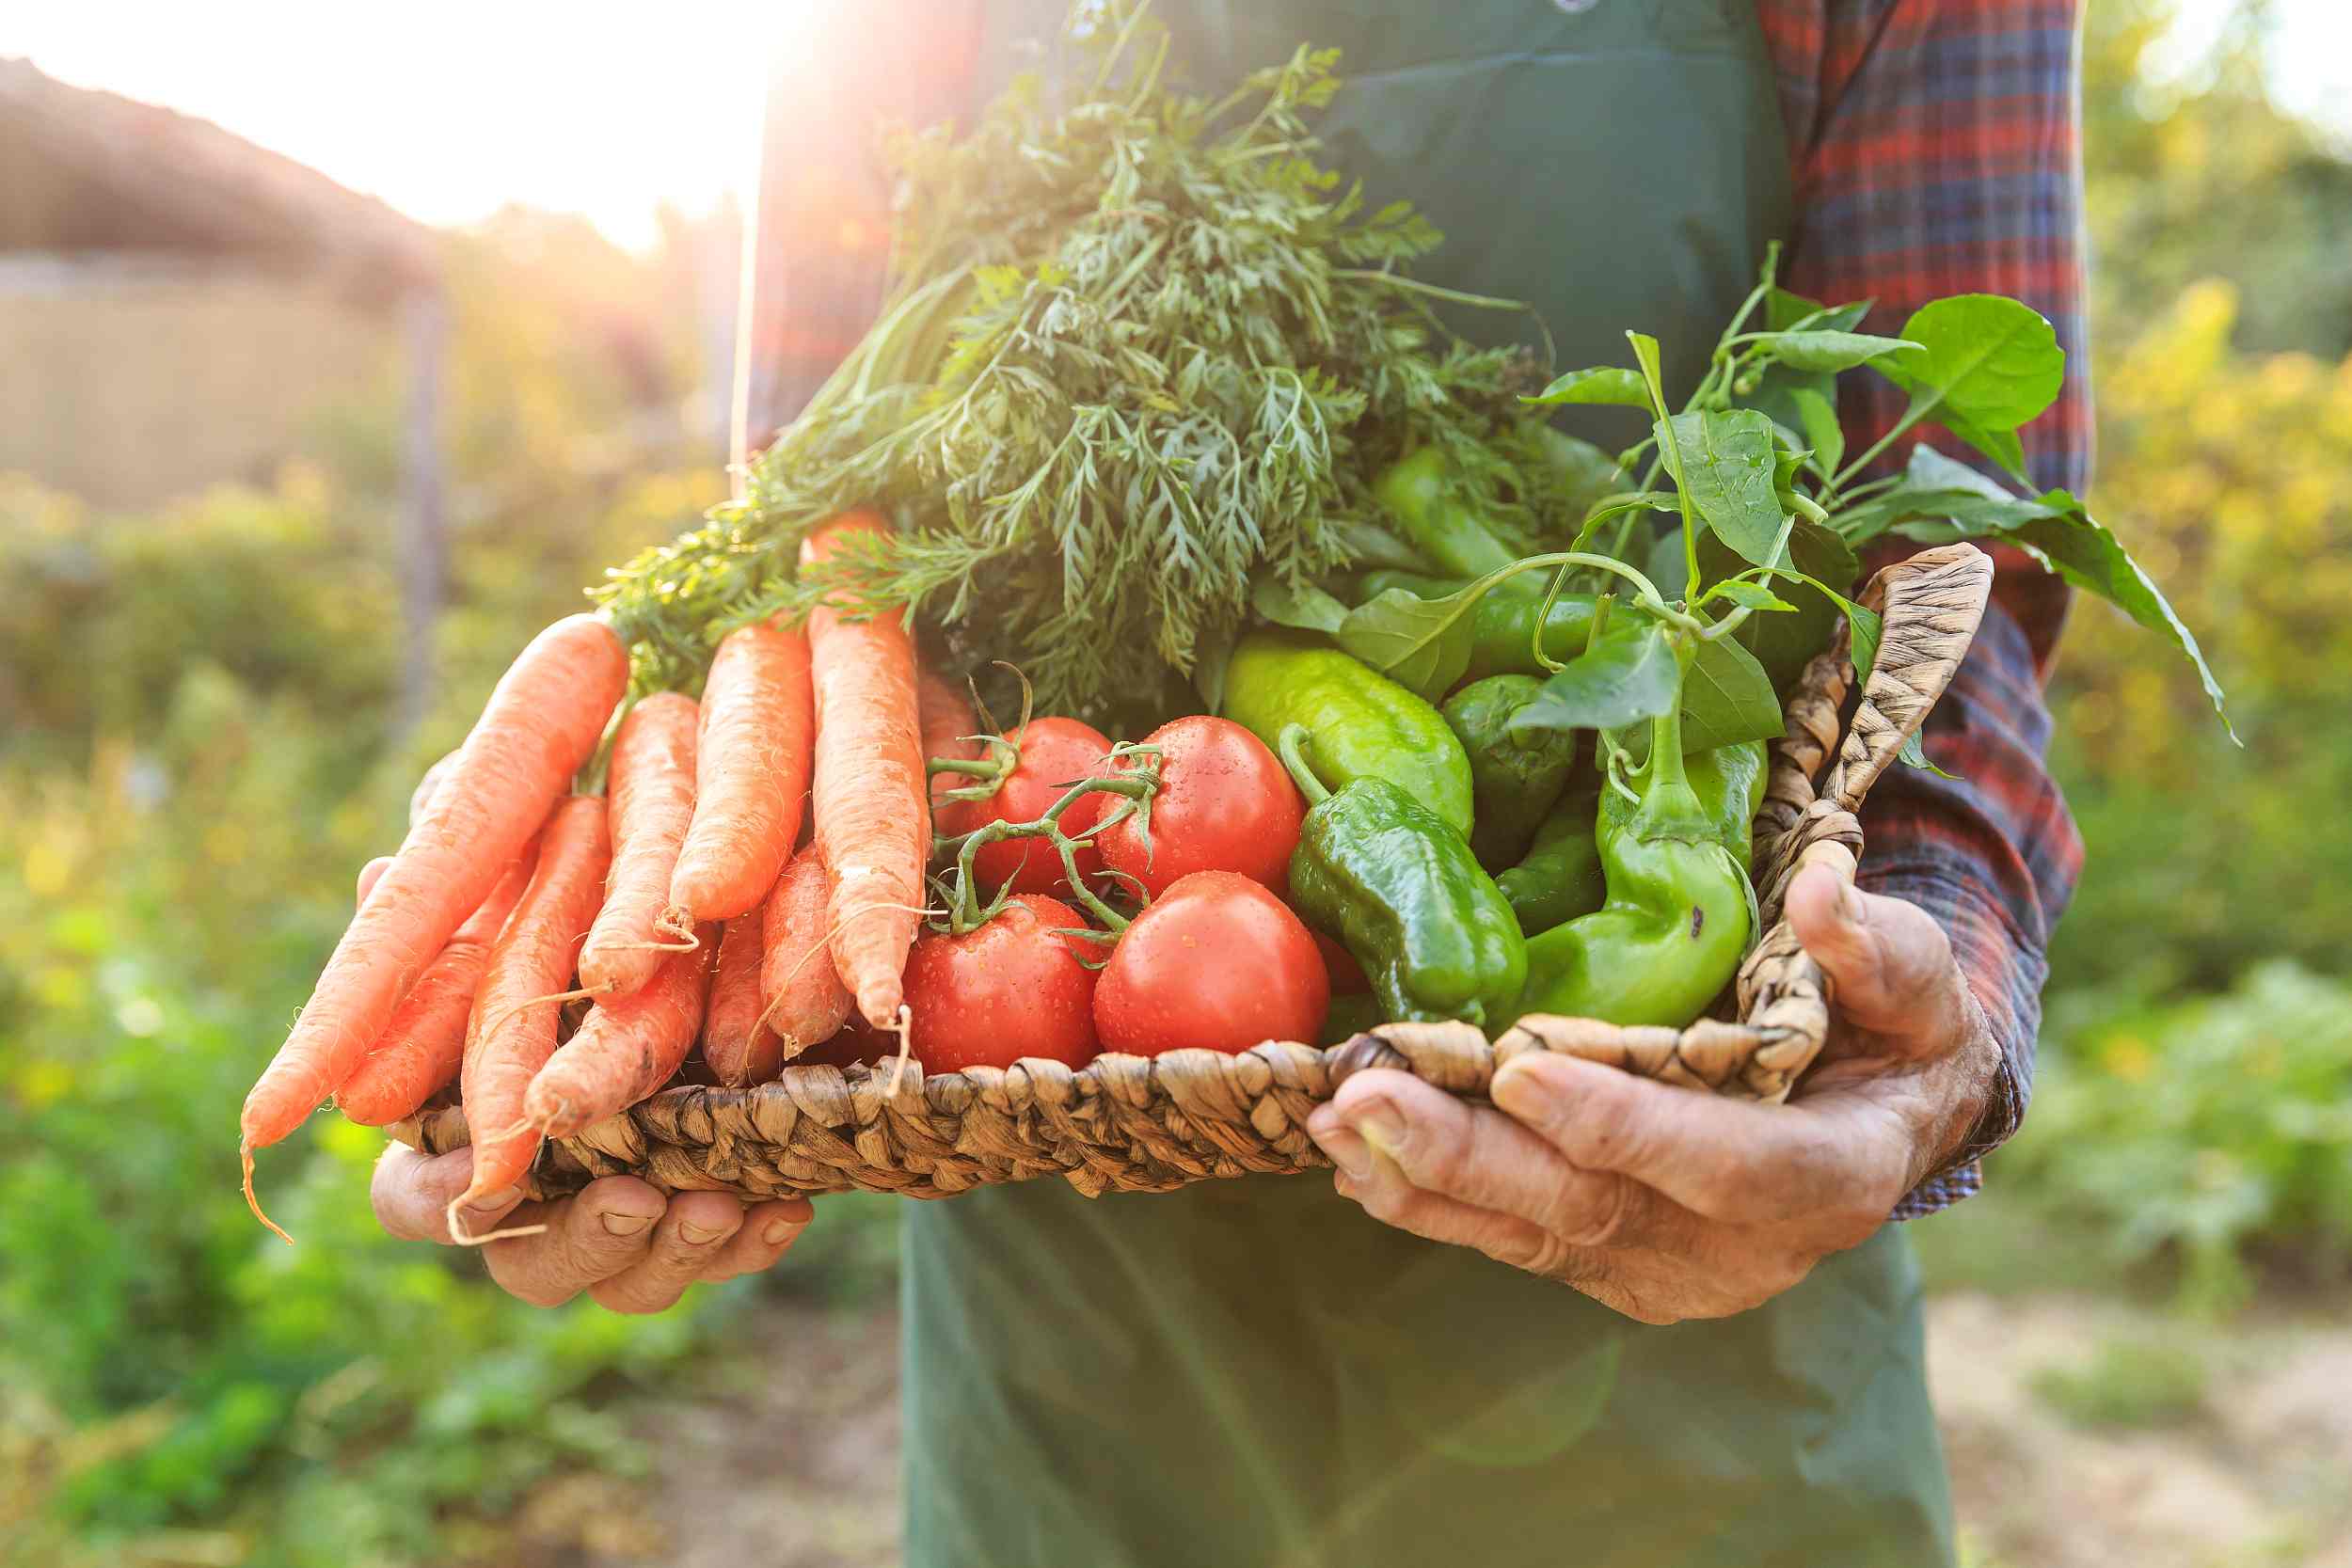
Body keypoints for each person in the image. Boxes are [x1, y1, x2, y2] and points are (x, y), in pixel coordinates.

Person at [372, 1, 2086, 1560]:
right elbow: (826, 553)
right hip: (1064, 1248)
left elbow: (1955, 553)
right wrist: (649, 1015)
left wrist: (1913, 1046)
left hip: (1693, 1282)